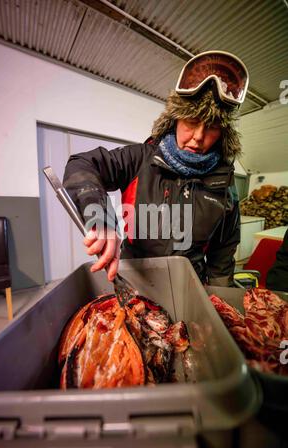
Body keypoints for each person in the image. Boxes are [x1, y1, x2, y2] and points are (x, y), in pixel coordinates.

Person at [63, 51, 249, 286]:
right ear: (175, 119)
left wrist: (219, 306)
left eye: (211, 127)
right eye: (191, 122)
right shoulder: (140, 159)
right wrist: (100, 219)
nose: (199, 137)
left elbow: (222, 259)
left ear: (222, 133)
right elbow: (82, 164)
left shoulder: (224, 184)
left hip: (189, 286)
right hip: (134, 281)